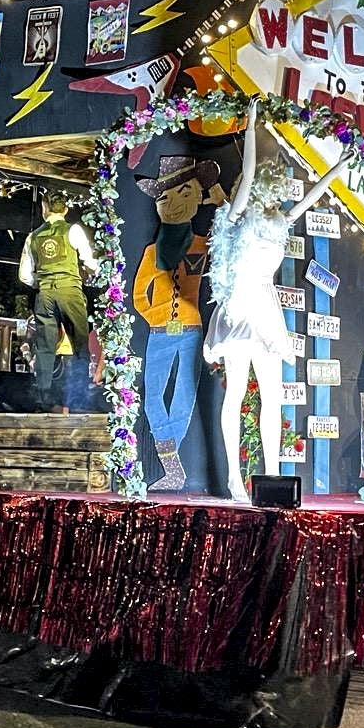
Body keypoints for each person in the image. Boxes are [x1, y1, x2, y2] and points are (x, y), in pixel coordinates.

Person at [203, 101, 338, 502]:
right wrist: (251, 125)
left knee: (274, 393)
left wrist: (338, 168)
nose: (278, 190)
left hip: (266, 304)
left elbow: (310, 199)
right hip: (240, 304)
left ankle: (273, 476)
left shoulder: (279, 222)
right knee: (236, 391)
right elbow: (245, 175)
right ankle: (232, 478)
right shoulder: (235, 218)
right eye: (273, 183)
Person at [135, 156, 224, 490]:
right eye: (164, 198)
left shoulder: (201, 245)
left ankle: (173, 466)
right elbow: (139, 296)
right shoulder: (151, 253)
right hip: (160, 331)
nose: (173, 204)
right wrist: (156, 315)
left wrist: (216, 194)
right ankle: (170, 462)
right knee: (154, 394)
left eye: (184, 193)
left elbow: (229, 230)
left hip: (190, 329)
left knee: (184, 393)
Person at [19, 191, 97, 414]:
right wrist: (89, 272)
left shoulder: (33, 236)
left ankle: (44, 399)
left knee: (44, 348)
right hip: (70, 290)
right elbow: (89, 260)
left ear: (45, 208)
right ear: (65, 209)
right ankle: (80, 398)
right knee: (80, 343)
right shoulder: (73, 230)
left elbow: (24, 275)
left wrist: (42, 282)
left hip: (45, 293)